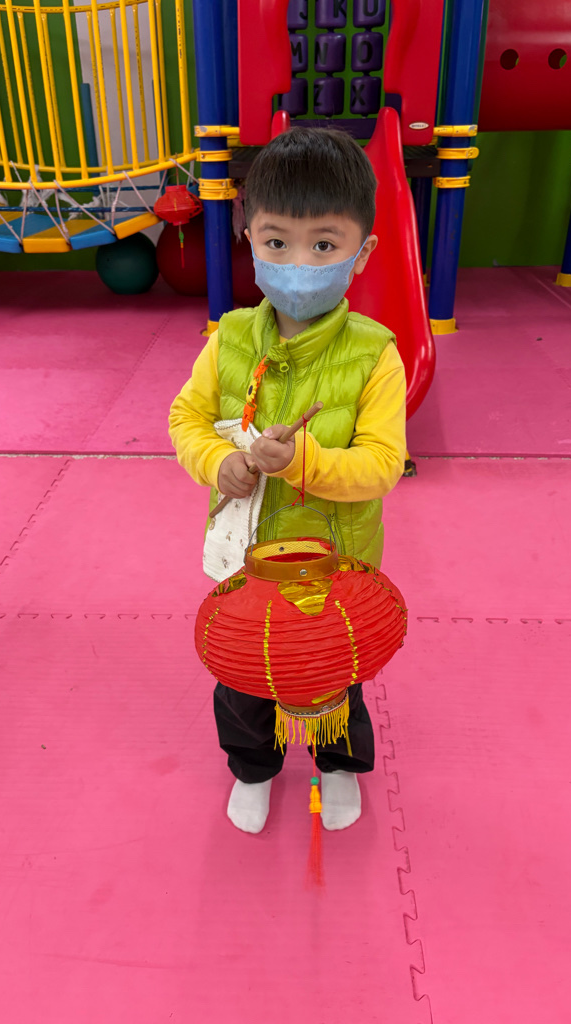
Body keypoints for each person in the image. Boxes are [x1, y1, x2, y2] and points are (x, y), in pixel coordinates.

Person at [168, 127, 407, 835]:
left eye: (324, 245)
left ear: (362, 253)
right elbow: (187, 419)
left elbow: (381, 464)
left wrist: (301, 461)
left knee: (334, 671)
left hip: (337, 563)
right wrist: (219, 461)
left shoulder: (376, 356)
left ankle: (338, 766)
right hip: (246, 559)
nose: (299, 264)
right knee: (242, 678)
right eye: (277, 242)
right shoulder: (229, 338)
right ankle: (253, 770)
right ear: (250, 241)